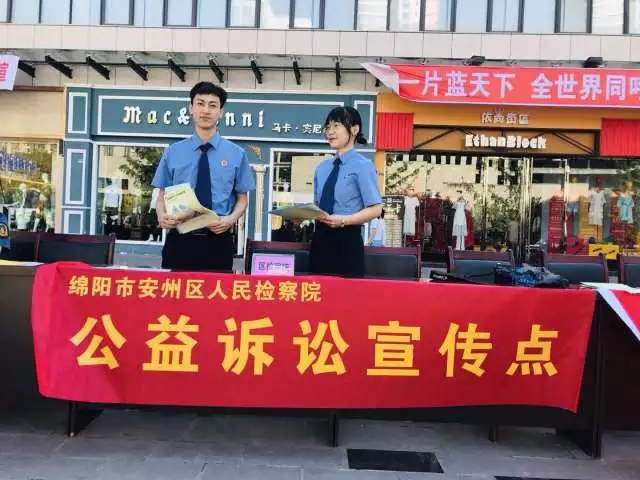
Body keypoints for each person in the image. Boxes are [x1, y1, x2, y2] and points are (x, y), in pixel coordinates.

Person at [152, 82, 256, 272]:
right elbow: (161, 196)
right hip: (180, 240)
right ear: (190, 108)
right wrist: (161, 215)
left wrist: (231, 219)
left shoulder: (236, 154)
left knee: (217, 291)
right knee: (175, 291)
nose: (206, 110)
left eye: (212, 105)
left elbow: (242, 199)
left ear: (221, 112)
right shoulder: (173, 152)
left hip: (218, 240)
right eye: (200, 104)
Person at [310, 106, 382, 278]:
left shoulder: (363, 166)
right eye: (327, 127)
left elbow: (376, 209)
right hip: (319, 239)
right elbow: (317, 206)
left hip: (347, 241)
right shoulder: (322, 168)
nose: (330, 132)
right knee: (316, 290)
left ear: (354, 129)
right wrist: (303, 215)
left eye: (336, 126)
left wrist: (343, 220)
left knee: (346, 293)